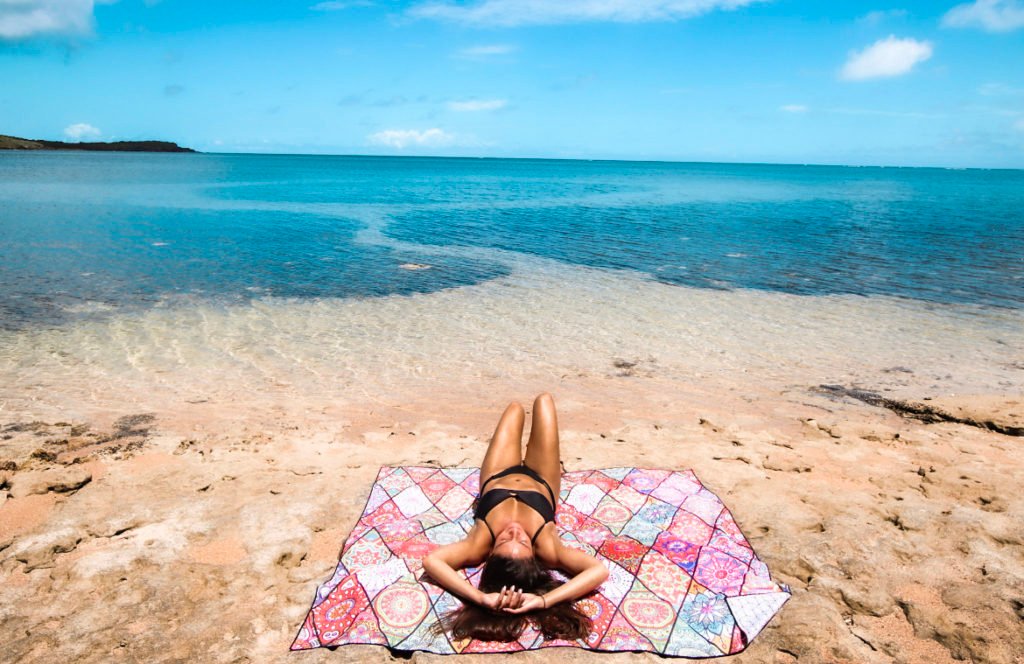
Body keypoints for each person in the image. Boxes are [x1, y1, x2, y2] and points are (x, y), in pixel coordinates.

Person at [423, 393, 609, 642]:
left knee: (515, 409)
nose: (513, 531)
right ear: (534, 555)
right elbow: (598, 571)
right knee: (544, 401)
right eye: (522, 542)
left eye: (503, 540)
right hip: (542, 477)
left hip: (497, 474)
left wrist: (478, 597)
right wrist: (543, 601)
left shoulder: (478, 544)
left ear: (490, 554)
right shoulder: (549, 549)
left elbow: (432, 561)